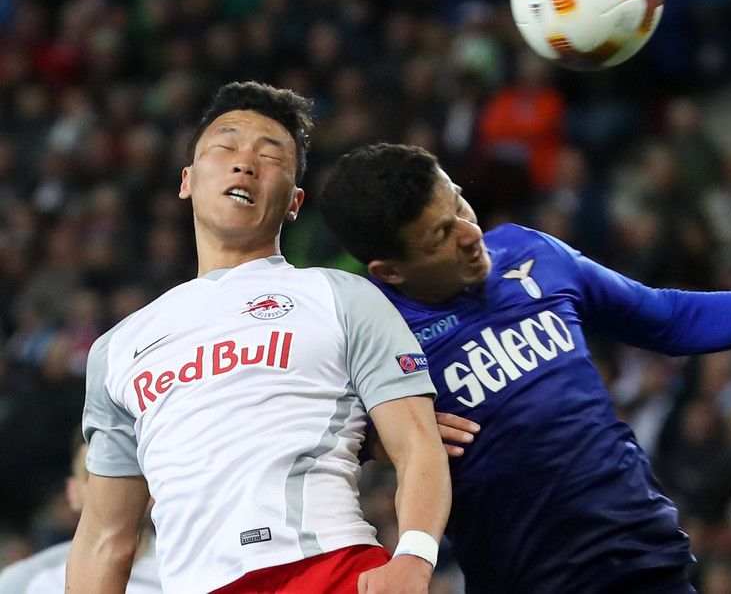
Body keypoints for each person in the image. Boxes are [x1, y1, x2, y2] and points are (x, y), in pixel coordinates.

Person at [320, 143, 731, 594]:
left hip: (640, 553)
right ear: (390, 271)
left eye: (459, 203)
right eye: (439, 235)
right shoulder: (367, 332)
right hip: (525, 579)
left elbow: (670, 318)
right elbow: (295, 435)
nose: (469, 233)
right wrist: (380, 437)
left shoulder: (528, 251)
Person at [66, 83, 451, 594]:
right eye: (225, 146)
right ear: (187, 180)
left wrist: (415, 559)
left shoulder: (343, 296)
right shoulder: (117, 349)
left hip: (330, 570)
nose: (244, 164)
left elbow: (419, 445)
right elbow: (104, 538)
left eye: (269, 156)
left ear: (294, 202)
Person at [0, 439, 160, 594]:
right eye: (92, 475)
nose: (112, 487)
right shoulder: (25, 583)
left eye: (125, 471)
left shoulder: (171, 567)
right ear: (73, 492)